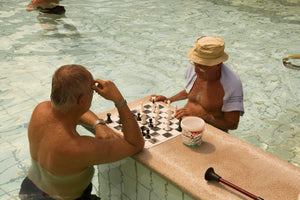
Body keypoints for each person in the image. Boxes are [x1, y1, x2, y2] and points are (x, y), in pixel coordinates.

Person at [19, 65, 145, 200]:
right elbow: (135, 144)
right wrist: (118, 100)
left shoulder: (41, 110)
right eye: (92, 90)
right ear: (82, 100)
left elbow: (70, 109)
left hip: (29, 190)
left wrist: (98, 124)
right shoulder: (79, 147)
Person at [151, 36, 244, 132]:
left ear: (218, 65)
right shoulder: (196, 65)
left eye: (202, 66)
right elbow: (191, 91)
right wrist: (169, 100)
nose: (196, 70)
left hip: (209, 132)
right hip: (185, 123)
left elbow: (232, 124)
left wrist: (206, 117)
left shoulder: (232, 84)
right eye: (195, 64)